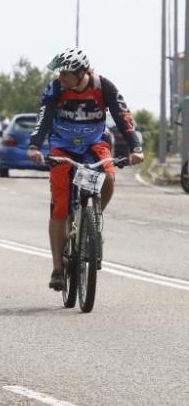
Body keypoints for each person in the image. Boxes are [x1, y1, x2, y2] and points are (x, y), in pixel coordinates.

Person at [26, 47, 143, 290]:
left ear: (80, 73)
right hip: (63, 147)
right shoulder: (56, 88)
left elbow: (123, 116)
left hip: (94, 143)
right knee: (59, 205)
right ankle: (58, 269)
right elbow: (44, 116)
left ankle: (94, 220)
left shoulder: (103, 87)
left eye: (65, 73)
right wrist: (35, 145)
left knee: (109, 178)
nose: (61, 78)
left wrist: (135, 147)